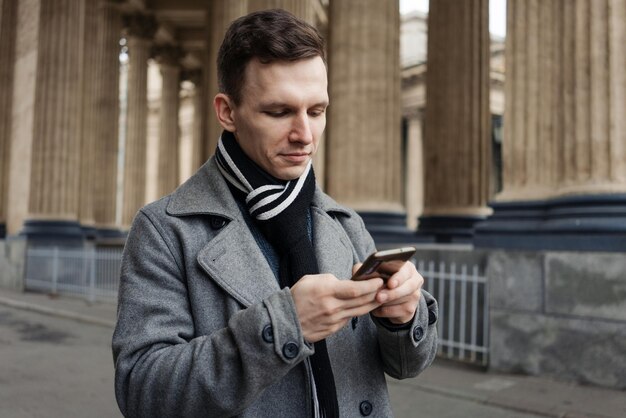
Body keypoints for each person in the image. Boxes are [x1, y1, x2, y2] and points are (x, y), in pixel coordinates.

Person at [112, 9, 438, 418]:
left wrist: (404, 318)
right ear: (227, 111)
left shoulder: (345, 223)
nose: (305, 134)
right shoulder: (164, 230)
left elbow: (406, 365)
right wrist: (284, 325)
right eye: (279, 112)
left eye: (316, 111)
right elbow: (142, 391)